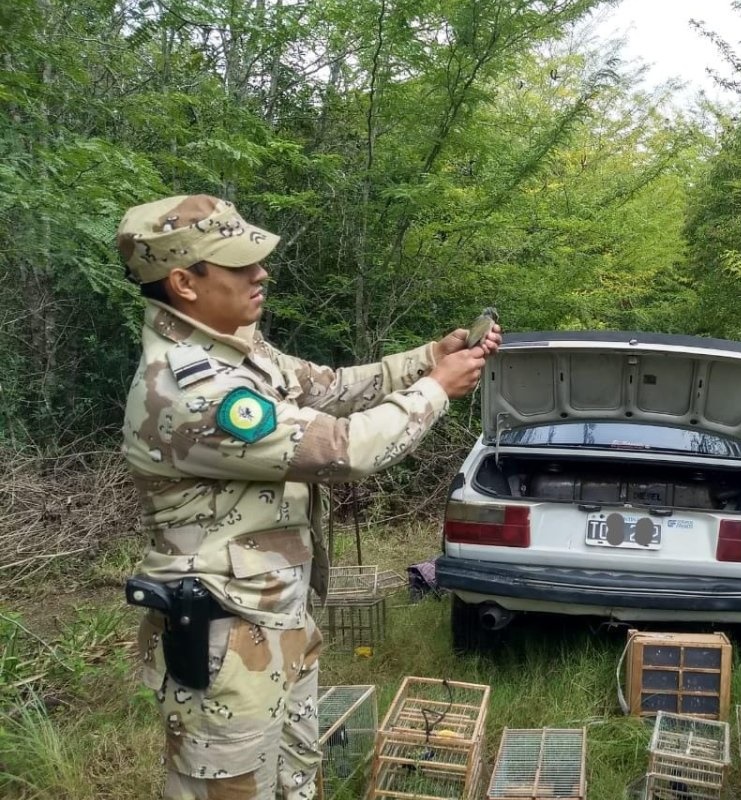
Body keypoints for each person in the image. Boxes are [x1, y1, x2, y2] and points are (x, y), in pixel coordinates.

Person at [115, 194, 500, 800]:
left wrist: (432, 356)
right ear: (184, 282)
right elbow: (343, 450)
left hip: (276, 619)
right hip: (224, 639)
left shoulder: (240, 349)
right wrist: (435, 390)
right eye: (239, 264)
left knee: (295, 779)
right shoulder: (188, 392)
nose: (260, 273)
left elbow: (334, 388)